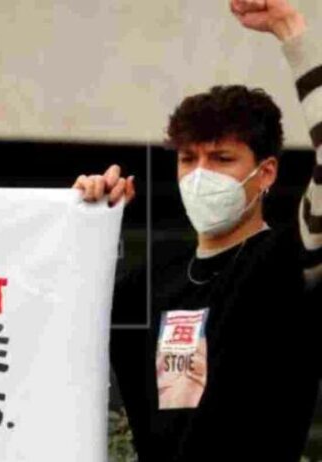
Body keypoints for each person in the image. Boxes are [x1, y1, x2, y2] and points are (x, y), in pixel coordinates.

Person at [73, 0, 322, 460]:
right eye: (189, 159)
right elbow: (51, 322)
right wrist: (84, 222)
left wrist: (292, 30)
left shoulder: (289, 260)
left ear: (266, 173)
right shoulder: (149, 283)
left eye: (222, 159)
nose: (201, 174)